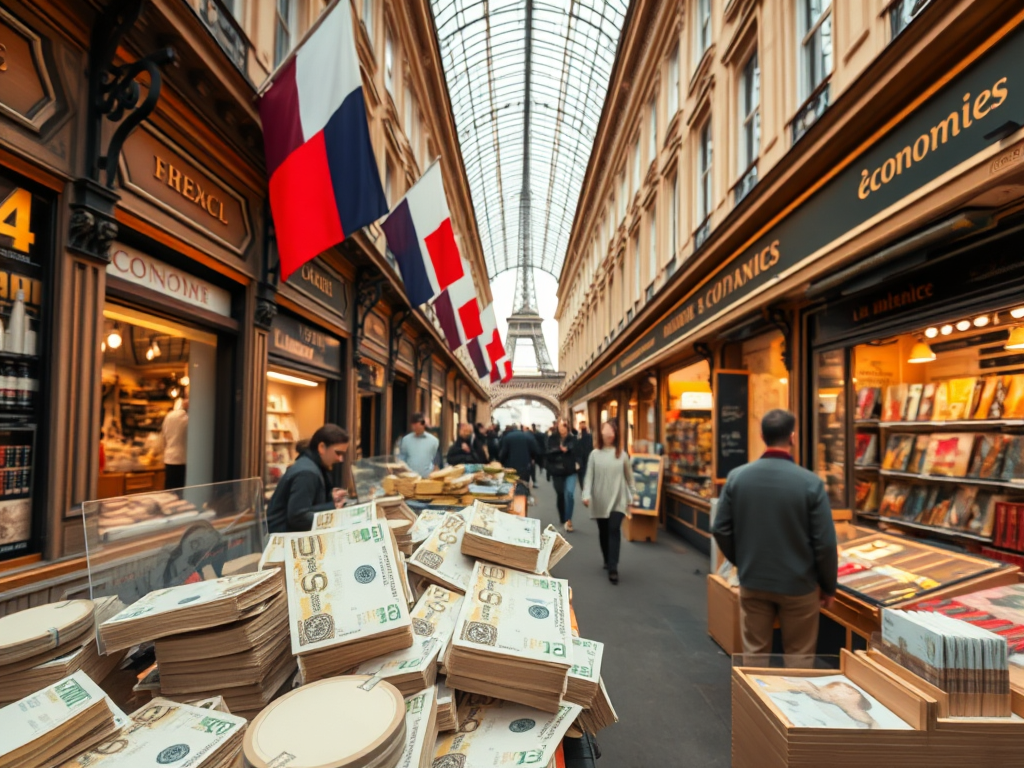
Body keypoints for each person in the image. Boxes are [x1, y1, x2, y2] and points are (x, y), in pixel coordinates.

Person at [711, 409, 838, 657]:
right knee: (798, 655)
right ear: (793, 437)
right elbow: (824, 543)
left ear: (761, 435)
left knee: (754, 653)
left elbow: (720, 528)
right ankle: (793, 696)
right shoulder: (810, 483)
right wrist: (828, 586)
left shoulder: (737, 478)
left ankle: (750, 696)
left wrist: (743, 561)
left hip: (753, 579)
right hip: (800, 584)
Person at [267, 424, 350, 533]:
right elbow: (299, 517)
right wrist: (332, 507)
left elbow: (305, 508)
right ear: (321, 448)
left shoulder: (309, 466)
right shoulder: (307, 473)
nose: (340, 459)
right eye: (338, 453)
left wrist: (331, 499)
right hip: (285, 539)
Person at [581, 419, 636, 585]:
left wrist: (632, 495)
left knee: (613, 529)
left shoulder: (622, 455)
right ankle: (607, 558)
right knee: (603, 530)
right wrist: (586, 494)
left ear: (615, 435)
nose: (608, 436)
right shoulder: (594, 455)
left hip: (619, 499)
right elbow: (589, 475)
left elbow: (630, 478)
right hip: (600, 499)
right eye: (606, 432)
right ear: (601, 435)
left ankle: (613, 567)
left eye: (611, 433)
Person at [547, 418, 578, 532]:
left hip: (570, 470)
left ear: (568, 427)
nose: (562, 428)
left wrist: (568, 449)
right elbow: (548, 453)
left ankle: (568, 519)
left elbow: (577, 450)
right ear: (557, 427)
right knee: (560, 493)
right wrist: (559, 450)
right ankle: (562, 517)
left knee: (569, 494)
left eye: (564, 426)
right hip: (557, 471)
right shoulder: (552, 438)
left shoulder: (573, 439)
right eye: (560, 426)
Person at [499, 424, 540, 496]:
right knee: (523, 485)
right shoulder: (527, 437)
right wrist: (532, 459)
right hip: (525, 467)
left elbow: (503, 453)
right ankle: (522, 500)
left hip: (510, 467)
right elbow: (535, 450)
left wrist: (501, 463)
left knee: (511, 487)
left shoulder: (507, 437)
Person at [398, 413, 440, 477]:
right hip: (410, 478)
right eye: (413, 426)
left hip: (427, 478)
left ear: (423, 425)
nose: (415, 428)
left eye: (417, 425)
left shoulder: (434, 441)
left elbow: (436, 461)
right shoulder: (406, 440)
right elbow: (402, 458)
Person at [162, 397, 189, 489]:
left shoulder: (169, 416)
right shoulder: (187, 419)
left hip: (169, 458)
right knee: (180, 490)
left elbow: (164, 436)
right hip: (183, 459)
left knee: (170, 490)